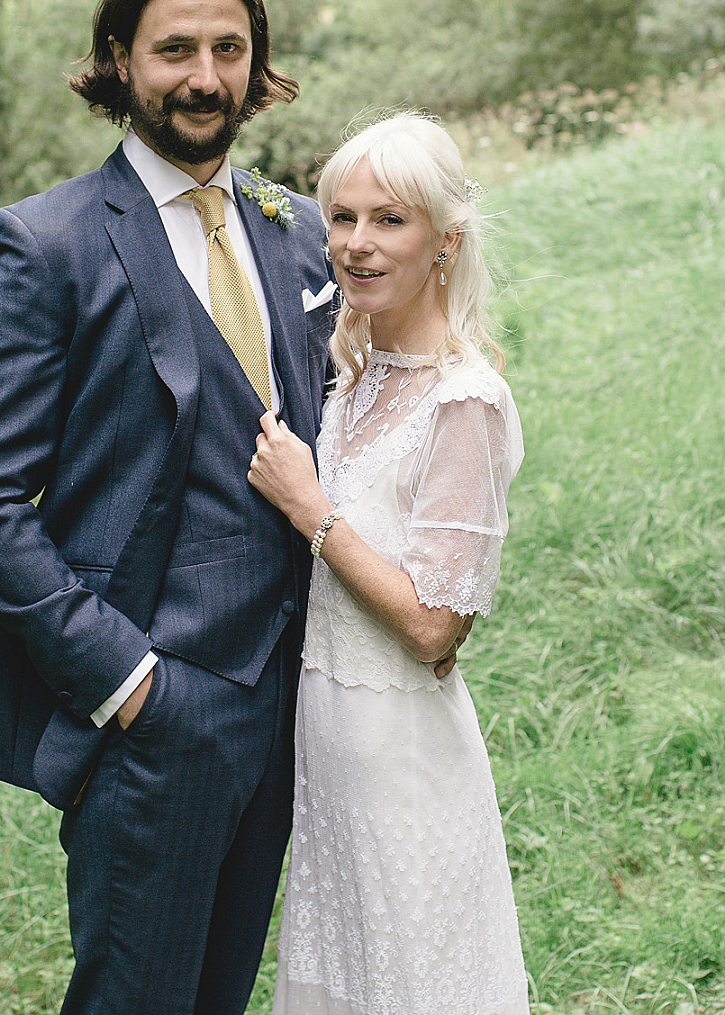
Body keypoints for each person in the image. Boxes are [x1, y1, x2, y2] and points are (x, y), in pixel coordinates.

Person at [0, 0, 398, 1015]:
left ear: (256, 59)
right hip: (152, 712)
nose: (204, 78)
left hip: (289, 702)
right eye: (175, 48)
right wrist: (130, 683)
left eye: (229, 48)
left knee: (220, 997)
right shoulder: (44, 245)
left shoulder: (293, 231)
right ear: (119, 57)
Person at [247, 111, 530, 1015]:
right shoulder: (358, 368)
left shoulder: (465, 400)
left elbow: (433, 625)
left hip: (403, 760)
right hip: (329, 752)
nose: (356, 245)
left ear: (444, 241)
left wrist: (309, 508)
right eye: (342, 218)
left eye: (389, 220)